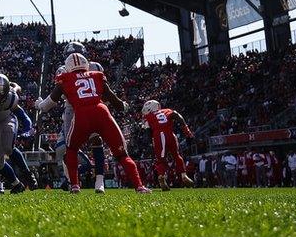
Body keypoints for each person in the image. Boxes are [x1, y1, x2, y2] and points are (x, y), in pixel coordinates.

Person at [37, 53, 149, 194]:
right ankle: (139, 186)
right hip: (101, 112)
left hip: (81, 115)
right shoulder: (97, 75)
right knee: (122, 154)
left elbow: (47, 105)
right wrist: (124, 106)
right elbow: (113, 99)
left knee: (71, 149)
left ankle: (75, 186)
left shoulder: (64, 79)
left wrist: (38, 105)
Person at [54, 42, 108, 193]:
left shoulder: (95, 68)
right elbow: (61, 94)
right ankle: (72, 181)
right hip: (73, 109)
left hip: (91, 106)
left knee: (96, 141)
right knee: (70, 147)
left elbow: (104, 89)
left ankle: (99, 181)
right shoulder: (63, 70)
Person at [0, 74, 34, 194]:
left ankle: (27, 174)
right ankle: (17, 184)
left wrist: (28, 128)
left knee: (8, 148)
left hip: (6, 120)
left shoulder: (11, 97)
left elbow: (22, 114)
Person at [141, 100, 195, 191]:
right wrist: (187, 130)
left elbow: (148, 132)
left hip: (158, 135)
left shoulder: (148, 117)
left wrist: (151, 143)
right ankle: (183, 175)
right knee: (177, 155)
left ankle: (161, 176)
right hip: (170, 134)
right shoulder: (167, 110)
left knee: (161, 160)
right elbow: (177, 115)